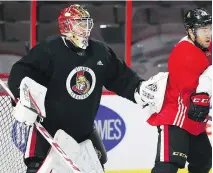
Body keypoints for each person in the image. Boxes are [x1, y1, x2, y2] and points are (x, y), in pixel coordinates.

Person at [8, 4, 160, 173]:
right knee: (37, 168)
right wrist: (22, 99)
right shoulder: (49, 50)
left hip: (84, 133)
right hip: (49, 132)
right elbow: (21, 72)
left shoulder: (100, 51)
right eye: (79, 23)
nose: (84, 28)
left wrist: (138, 89)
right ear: (67, 26)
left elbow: (120, 77)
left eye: (86, 23)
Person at [147, 8, 212, 173]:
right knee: (168, 165)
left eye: (210, 28)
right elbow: (194, 99)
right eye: (203, 30)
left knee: (203, 161)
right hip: (176, 117)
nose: (208, 34)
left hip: (193, 119)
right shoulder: (184, 53)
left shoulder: (204, 45)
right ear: (191, 31)